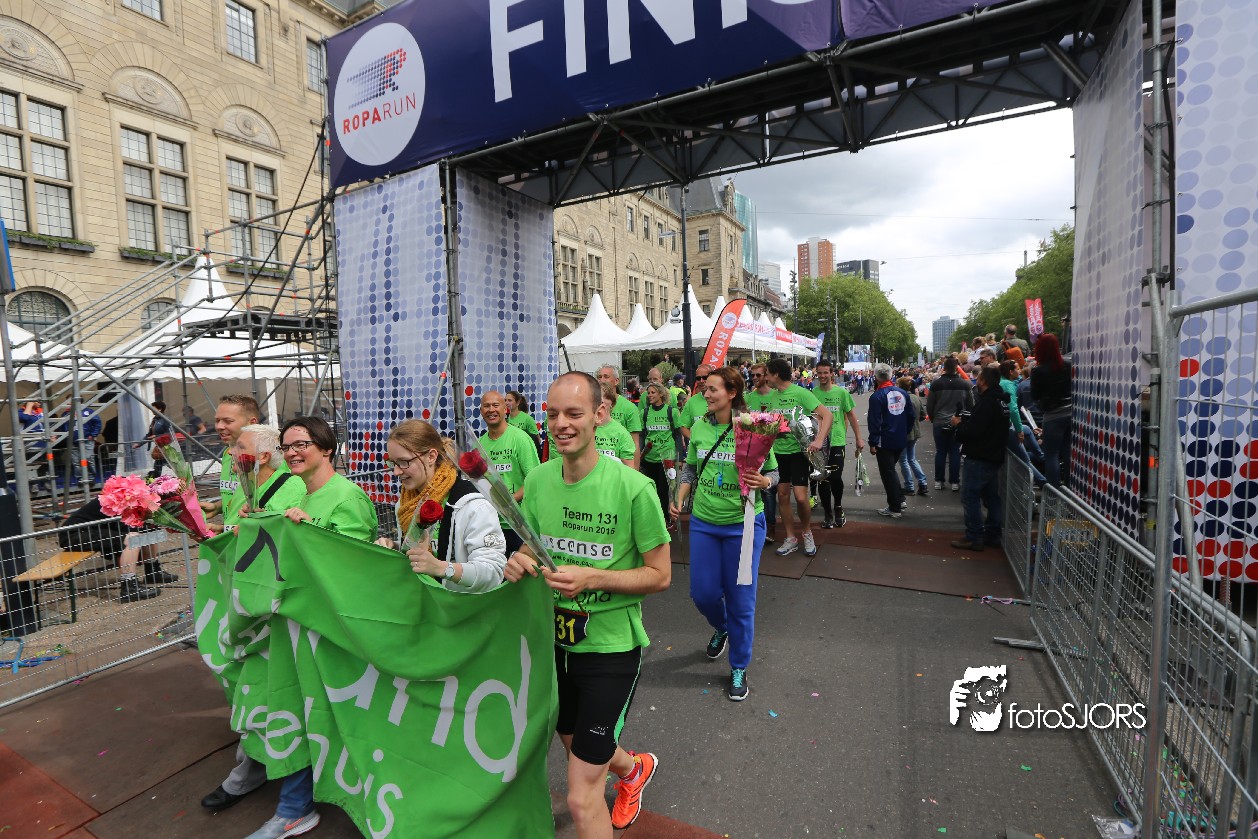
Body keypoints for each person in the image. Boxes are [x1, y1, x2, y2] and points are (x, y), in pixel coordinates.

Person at [504, 371, 671, 836]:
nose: (562, 424)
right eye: (553, 414)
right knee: (576, 743)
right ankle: (634, 768)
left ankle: (622, 777)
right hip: (554, 645)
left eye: (574, 413)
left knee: (580, 796)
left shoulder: (634, 488)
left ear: (599, 414)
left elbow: (661, 575)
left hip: (609, 651)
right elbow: (533, 548)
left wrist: (593, 577)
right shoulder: (538, 480)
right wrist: (519, 561)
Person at [237, 417, 376, 839]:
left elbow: (357, 566)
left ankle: (360, 802)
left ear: (327, 448)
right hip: (299, 629)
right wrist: (259, 522)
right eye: (287, 446)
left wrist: (309, 531)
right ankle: (295, 806)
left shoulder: (347, 496)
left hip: (332, 635)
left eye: (301, 444)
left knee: (334, 718)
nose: (292, 452)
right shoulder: (302, 496)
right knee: (299, 712)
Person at [672, 366, 776, 701]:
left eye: (713, 389)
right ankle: (723, 626)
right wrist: (679, 497)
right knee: (702, 594)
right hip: (704, 522)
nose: (706, 393)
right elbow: (690, 468)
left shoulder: (754, 426)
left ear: (732, 393)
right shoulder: (700, 427)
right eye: (705, 389)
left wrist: (765, 481)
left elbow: (773, 472)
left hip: (743, 526)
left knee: (741, 600)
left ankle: (739, 665)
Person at [378, 419, 508, 591]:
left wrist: (441, 568)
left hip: (461, 606)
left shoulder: (472, 505)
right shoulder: (406, 503)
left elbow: (493, 572)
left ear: (431, 457)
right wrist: (394, 547)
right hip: (424, 602)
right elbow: (420, 549)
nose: (396, 471)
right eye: (393, 463)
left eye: (404, 462)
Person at [762, 357, 830, 557]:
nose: (766, 378)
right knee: (782, 495)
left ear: (776, 374)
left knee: (801, 498)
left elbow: (827, 415)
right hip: (777, 453)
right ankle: (791, 537)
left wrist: (819, 440)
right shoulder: (772, 396)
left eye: (767, 374)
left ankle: (807, 532)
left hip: (799, 453)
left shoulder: (801, 393)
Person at [950, 365, 1011, 552]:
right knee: (992, 497)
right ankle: (992, 534)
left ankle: (974, 536)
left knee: (970, 496)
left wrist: (959, 425)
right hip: (994, 455)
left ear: (983, 381)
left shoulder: (987, 403)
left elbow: (973, 432)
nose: (976, 381)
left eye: (978, 378)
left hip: (979, 456)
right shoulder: (1001, 401)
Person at [58, 498, 168, 601]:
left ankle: (153, 572)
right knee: (131, 539)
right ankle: (129, 587)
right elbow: (125, 529)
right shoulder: (120, 500)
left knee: (147, 531)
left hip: (90, 530)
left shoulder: (131, 500)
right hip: (74, 534)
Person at [476, 391, 540, 554]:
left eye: (496, 405)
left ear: (506, 409)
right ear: (481, 411)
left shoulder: (520, 439)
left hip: (519, 525)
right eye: (486, 406)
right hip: (491, 524)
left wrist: (509, 501)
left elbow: (535, 480)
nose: (491, 410)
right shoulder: (479, 445)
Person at [198, 395, 262, 535]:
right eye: (217, 420)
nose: (219, 426)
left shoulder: (267, 458)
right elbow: (243, 495)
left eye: (228, 421)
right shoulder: (228, 454)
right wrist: (217, 507)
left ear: (252, 423)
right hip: (233, 539)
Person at [812, 360, 864, 529]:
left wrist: (859, 438)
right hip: (820, 443)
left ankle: (838, 507)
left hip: (837, 441)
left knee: (834, 477)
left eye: (825, 372)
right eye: (820, 373)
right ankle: (827, 513)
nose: (822, 376)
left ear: (832, 374)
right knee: (822, 479)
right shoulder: (813, 393)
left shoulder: (841, 393)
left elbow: (851, 416)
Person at [227, 424, 306, 522]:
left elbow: (300, 527)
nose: (230, 452)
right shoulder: (245, 485)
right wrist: (220, 528)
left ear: (264, 457)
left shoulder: (293, 488)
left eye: (241, 447)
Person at [866, 364, 911, 518]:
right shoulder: (903, 393)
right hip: (900, 438)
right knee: (891, 470)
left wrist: (873, 442)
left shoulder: (877, 396)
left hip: (884, 440)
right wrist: (905, 431)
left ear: (876, 377)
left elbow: (874, 422)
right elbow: (910, 415)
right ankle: (900, 499)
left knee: (888, 473)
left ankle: (895, 507)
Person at [925, 356, 973, 491]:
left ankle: (939, 480)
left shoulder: (936, 384)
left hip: (939, 421)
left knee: (940, 451)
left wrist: (933, 418)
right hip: (958, 422)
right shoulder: (965, 384)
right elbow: (970, 405)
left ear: (944, 368)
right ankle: (954, 482)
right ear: (957, 368)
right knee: (954, 452)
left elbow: (930, 405)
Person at [1031, 333, 1072, 488]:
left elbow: (1035, 396)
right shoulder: (1068, 365)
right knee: (1068, 453)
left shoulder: (1038, 371)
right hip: (1071, 414)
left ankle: (1053, 492)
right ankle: (1071, 489)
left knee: (1051, 455)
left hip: (1053, 416)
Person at [744, 363, 778, 541]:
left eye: (758, 375)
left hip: (774, 449)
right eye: (753, 375)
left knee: (769, 490)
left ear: (766, 376)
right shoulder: (748, 397)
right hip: (753, 450)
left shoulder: (776, 396)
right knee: (754, 487)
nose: (755, 378)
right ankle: (755, 524)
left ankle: (770, 526)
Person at [639, 382, 681, 523]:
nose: (649, 395)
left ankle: (665, 519)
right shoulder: (644, 413)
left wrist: (680, 457)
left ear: (661, 394)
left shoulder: (672, 412)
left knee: (665, 491)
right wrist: (639, 455)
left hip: (667, 458)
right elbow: (642, 435)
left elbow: (677, 434)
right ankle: (653, 519)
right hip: (649, 458)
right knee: (651, 491)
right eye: (648, 393)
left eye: (653, 392)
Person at [998, 361, 1045, 484]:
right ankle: (1043, 482)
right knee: (1025, 460)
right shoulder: (1008, 384)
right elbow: (1013, 409)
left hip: (1004, 426)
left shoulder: (1003, 382)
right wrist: (1019, 430)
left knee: (1027, 430)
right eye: (1017, 369)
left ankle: (1041, 456)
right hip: (1008, 427)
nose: (1019, 372)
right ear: (1010, 372)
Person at [597, 365, 643, 465]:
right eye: (599, 377)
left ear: (616, 381)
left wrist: (635, 472)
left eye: (606, 376)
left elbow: (635, 444)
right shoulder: (591, 406)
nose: (602, 380)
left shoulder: (629, 408)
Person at [895, 375, 929, 497]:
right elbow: (923, 415)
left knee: (903, 460)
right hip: (915, 432)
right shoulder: (916, 398)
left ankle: (909, 486)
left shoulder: (899, 398)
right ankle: (922, 482)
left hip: (903, 432)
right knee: (912, 459)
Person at [132, 400, 174, 479]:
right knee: (159, 465)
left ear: (159, 409)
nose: (151, 409)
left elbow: (170, 434)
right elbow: (149, 435)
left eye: (153, 408)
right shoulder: (154, 420)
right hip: (160, 448)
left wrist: (156, 436)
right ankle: (156, 479)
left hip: (168, 447)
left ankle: (181, 478)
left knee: (170, 465)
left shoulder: (165, 420)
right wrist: (139, 444)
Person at [676, 364, 715, 443]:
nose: (701, 381)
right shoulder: (692, 401)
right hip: (699, 449)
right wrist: (694, 438)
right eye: (698, 378)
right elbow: (682, 426)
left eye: (705, 377)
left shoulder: (722, 399)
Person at [505, 389, 543, 455]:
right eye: (505, 400)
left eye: (510, 400)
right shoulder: (505, 419)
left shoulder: (527, 418)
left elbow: (537, 440)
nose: (506, 403)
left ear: (518, 402)